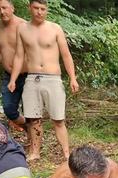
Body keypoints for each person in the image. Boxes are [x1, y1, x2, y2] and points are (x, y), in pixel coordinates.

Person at [8, 0, 79, 161]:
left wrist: (73, 78)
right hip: (32, 78)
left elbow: (66, 55)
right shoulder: (23, 28)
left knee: (58, 119)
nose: (39, 12)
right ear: (30, 8)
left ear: (46, 10)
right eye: (36, 8)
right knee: (33, 118)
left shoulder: (55, 29)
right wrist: (13, 79)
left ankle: (67, 154)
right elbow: (19, 55)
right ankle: (35, 152)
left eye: (43, 9)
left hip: (53, 78)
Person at [0, 0, 29, 138]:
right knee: (9, 110)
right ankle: (28, 127)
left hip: (27, 74)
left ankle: (34, 143)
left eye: (4, 7)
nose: (1, 11)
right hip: (8, 75)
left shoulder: (24, 25)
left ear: (12, 8)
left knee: (30, 111)